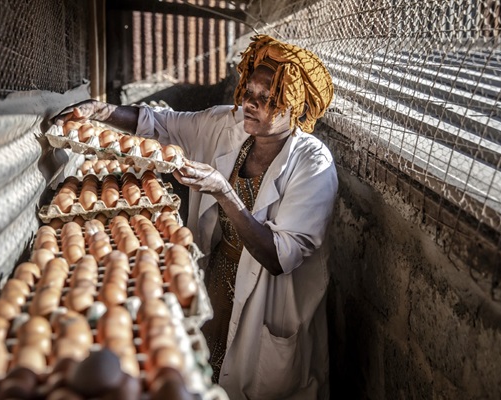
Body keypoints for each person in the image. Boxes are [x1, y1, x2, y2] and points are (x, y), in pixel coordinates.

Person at [54, 34, 338, 400]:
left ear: (295, 107)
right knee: (208, 369)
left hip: (269, 298)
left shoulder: (313, 164)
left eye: (267, 99)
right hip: (220, 276)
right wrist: (102, 111)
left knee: (257, 382)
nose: (250, 104)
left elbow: (280, 256)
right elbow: (165, 123)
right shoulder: (229, 125)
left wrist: (223, 190)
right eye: (248, 92)